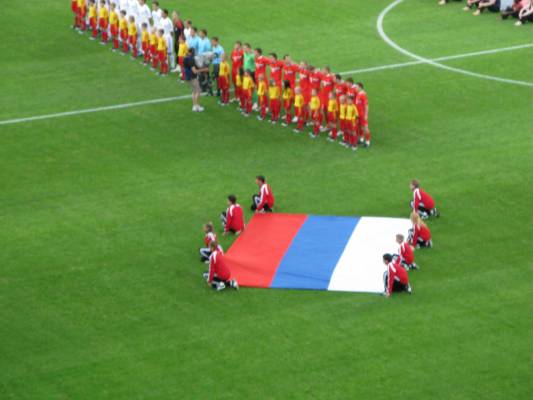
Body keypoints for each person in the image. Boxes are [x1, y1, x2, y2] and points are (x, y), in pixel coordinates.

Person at [355, 82, 371, 147]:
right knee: (359, 127)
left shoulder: (363, 95)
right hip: (358, 114)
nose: (356, 88)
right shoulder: (359, 94)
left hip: (362, 115)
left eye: (357, 87)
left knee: (365, 128)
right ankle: (361, 139)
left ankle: (367, 141)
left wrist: (366, 115)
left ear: (360, 87)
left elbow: (366, 106)